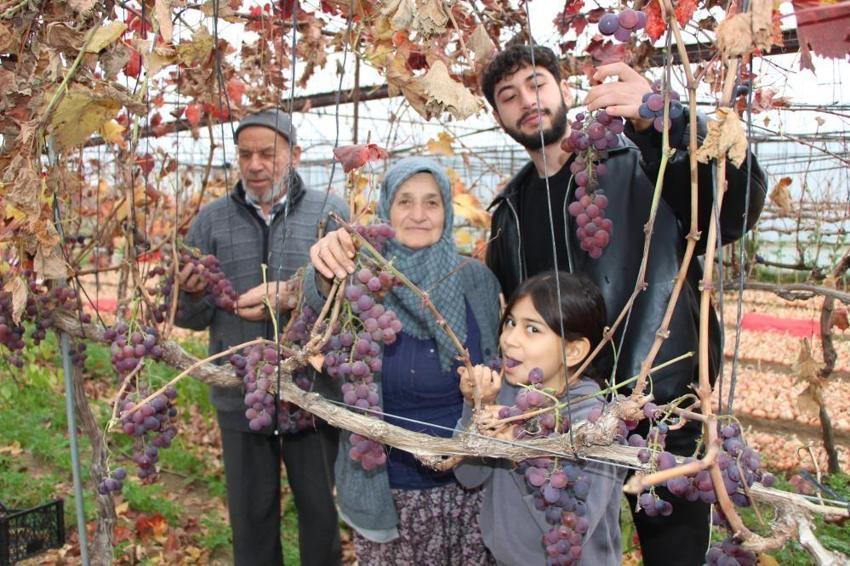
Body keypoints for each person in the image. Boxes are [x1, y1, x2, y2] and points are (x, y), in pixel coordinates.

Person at [480, 44, 767, 564]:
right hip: (563, 428)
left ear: (564, 89)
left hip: (659, 411)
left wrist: (673, 121)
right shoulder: (507, 216)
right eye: (508, 95)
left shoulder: (641, 164)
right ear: (498, 115)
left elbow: (736, 208)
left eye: (537, 83)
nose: (526, 99)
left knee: (674, 555)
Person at [304, 156, 501, 564]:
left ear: (447, 212)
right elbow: (315, 305)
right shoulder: (360, 282)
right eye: (405, 201)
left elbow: (497, 363)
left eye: (432, 203)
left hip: (469, 489)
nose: (418, 214)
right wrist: (323, 270)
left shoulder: (475, 279)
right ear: (386, 209)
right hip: (387, 492)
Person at [175, 108, 347, 565]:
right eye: (245, 154)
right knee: (250, 518)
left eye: (267, 153)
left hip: (311, 395)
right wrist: (191, 296)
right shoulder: (211, 221)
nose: (255, 165)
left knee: (319, 514)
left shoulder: (329, 213)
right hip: (240, 395)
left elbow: (352, 307)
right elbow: (188, 317)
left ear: (294, 155)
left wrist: (295, 294)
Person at [454, 271, 624, 565]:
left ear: (573, 350)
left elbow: (569, 532)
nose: (509, 340)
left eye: (532, 329)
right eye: (510, 323)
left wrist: (522, 449)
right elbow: (467, 476)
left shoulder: (594, 423)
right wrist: (476, 405)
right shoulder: (507, 391)